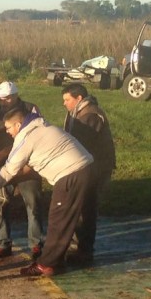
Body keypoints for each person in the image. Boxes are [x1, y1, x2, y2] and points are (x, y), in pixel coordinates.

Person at [0, 108, 94, 277]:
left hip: (70, 173)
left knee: (58, 219)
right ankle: (81, 253)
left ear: (18, 124)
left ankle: (46, 265)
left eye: (9, 128)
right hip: (88, 168)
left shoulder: (26, 137)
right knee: (84, 214)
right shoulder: (43, 127)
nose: (7, 131)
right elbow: (28, 165)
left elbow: (9, 169)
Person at [0, 81, 44, 260]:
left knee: (33, 203)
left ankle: (36, 244)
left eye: (7, 98)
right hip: (4, 164)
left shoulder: (31, 109)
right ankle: (3, 244)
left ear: (16, 96)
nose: (3, 102)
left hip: (27, 165)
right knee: (1, 204)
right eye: (1, 99)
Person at [62, 83, 116, 263]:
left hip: (96, 169)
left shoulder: (91, 115)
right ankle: (80, 248)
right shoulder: (77, 113)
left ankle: (84, 251)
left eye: (67, 100)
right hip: (87, 167)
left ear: (78, 99)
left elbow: (80, 143)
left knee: (87, 209)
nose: (64, 103)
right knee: (81, 208)